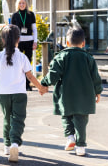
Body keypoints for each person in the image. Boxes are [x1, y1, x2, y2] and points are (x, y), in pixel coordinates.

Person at [0, 24, 48, 162]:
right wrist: (40, 88)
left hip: (3, 94)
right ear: (18, 39)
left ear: (3, 40)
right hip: (19, 94)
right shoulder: (22, 57)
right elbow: (30, 77)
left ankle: (7, 145)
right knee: (18, 119)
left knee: (7, 119)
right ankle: (15, 143)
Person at [41, 27, 103, 156]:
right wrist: (98, 92)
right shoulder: (89, 58)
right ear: (83, 43)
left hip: (66, 95)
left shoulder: (61, 56)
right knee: (81, 121)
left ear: (67, 43)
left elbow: (53, 75)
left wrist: (44, 83)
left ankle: (70, 137)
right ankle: (81, 146)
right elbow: (95, 77)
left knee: (66, 115)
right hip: (85, 96)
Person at [11, 0, 37, 91]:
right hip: (19, 42)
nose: (22, 5)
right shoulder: (15, 15)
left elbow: (34, 29)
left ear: (26, 4)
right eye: (20, 3)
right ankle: (19, 84)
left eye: (23, 3)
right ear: (17, 4)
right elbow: (12, 30)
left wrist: (35, 41)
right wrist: (13, 42)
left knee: (27, 63)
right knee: (18, 63)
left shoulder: (31, 14)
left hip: (29, 41)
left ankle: (27, 84)